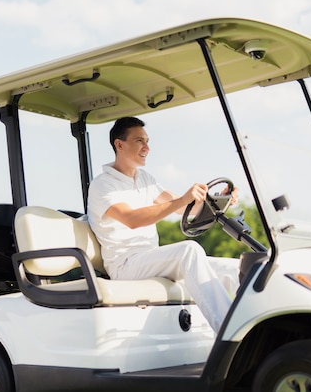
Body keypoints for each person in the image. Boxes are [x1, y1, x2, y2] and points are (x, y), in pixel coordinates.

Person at [87, 116, 239, 332]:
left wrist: (219, 200)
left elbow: (183, 208)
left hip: (152, 259)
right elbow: (132, 219)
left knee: (237, 268)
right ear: (119, 144)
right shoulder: (102, 185)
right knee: (189, 250)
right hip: (126, 266)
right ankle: (232, 333)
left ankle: (264, 331)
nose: (147, 148)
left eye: (147, 141)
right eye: (140, 141)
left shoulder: (145, 179)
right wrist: (182, 200)